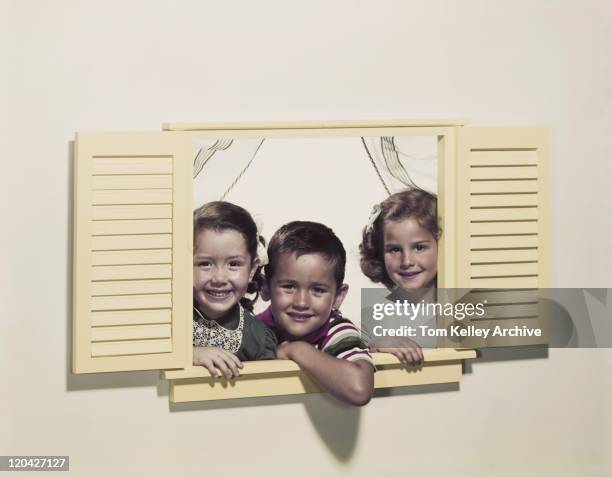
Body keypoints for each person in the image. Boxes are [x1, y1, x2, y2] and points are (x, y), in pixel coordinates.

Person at [256, 221, 374, 406]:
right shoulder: (252, 327)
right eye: (288, 286)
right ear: (264, 288)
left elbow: (359, 390)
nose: (301, 303)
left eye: (318, 290)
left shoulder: (336, 329)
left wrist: (297, 349)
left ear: (338, 296)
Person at [192, 201, 277, 379]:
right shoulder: (166, 320)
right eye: (205, 264)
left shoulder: (259, 338)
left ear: (252, 268)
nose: (219, 278)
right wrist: (190, 354)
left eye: (234, 264)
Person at [359, 189, 441, 365]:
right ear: (380, 253)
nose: (406, 261)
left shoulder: (462, 307)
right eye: (394, 249)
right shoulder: (372, 318)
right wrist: (375, 346)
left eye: (419, 247)